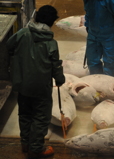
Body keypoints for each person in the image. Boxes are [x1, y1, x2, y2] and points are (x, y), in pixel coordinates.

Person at [6, 5, 65, 159]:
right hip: (41, 87)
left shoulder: (23, 33)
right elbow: (55, 65)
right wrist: (60, 79)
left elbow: (9, 45)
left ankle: (25, 143)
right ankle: (36, 148)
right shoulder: (51, 42)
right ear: (51, 22)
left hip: (22, 83)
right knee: (41, 117)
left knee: (25, 113)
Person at [83, 0, 114, 77]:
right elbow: (88, 12)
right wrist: (87, 25)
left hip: (109, 34)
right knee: (92, 59)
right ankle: (96, 78)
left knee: (110, 61)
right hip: (93, 33)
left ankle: (109, 80)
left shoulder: (111, 1)